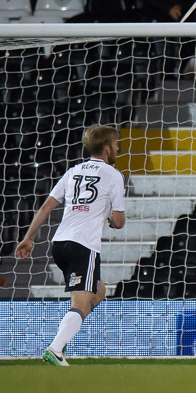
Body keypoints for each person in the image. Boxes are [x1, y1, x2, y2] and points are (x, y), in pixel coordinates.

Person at [15, 125, 126, 366]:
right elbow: (119, 221)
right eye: (116, 145)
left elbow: (46, 206)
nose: (118, 148)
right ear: (107, 149)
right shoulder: (113, 174)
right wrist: (108, 217)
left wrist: (29, 237)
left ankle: (59, 344)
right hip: (83, 246)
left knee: (98, 292)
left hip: (60, 243)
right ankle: (55, 350)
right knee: (81, 302)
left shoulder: (73, 171)